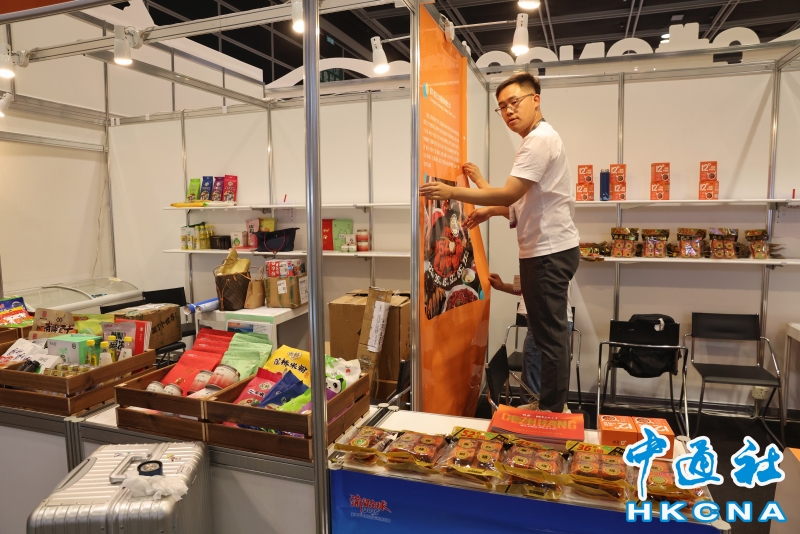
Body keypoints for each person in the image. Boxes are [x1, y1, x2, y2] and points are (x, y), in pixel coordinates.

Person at [421, 72, 579, 412]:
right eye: (502, 107)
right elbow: (522, 202)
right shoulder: (536, 139)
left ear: (536, 99)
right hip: (546, 250)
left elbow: (509, 193)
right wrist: (489, 211)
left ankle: (552, 411)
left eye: (514, 102)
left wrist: (451, 192)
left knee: (550, 337)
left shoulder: (539, 140)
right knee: (547, 334)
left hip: (548, 252)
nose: (508, 111)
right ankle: (550, 406)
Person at [488, 273, 573, 410]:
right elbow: (528, 289)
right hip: (548, 320)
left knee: (534, 381)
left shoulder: (545, 264)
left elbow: (542, 289)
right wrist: (503, 286)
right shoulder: (548, 265)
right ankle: (545, 413)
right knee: (545, 377)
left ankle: (534, 416)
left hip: (544, 321)